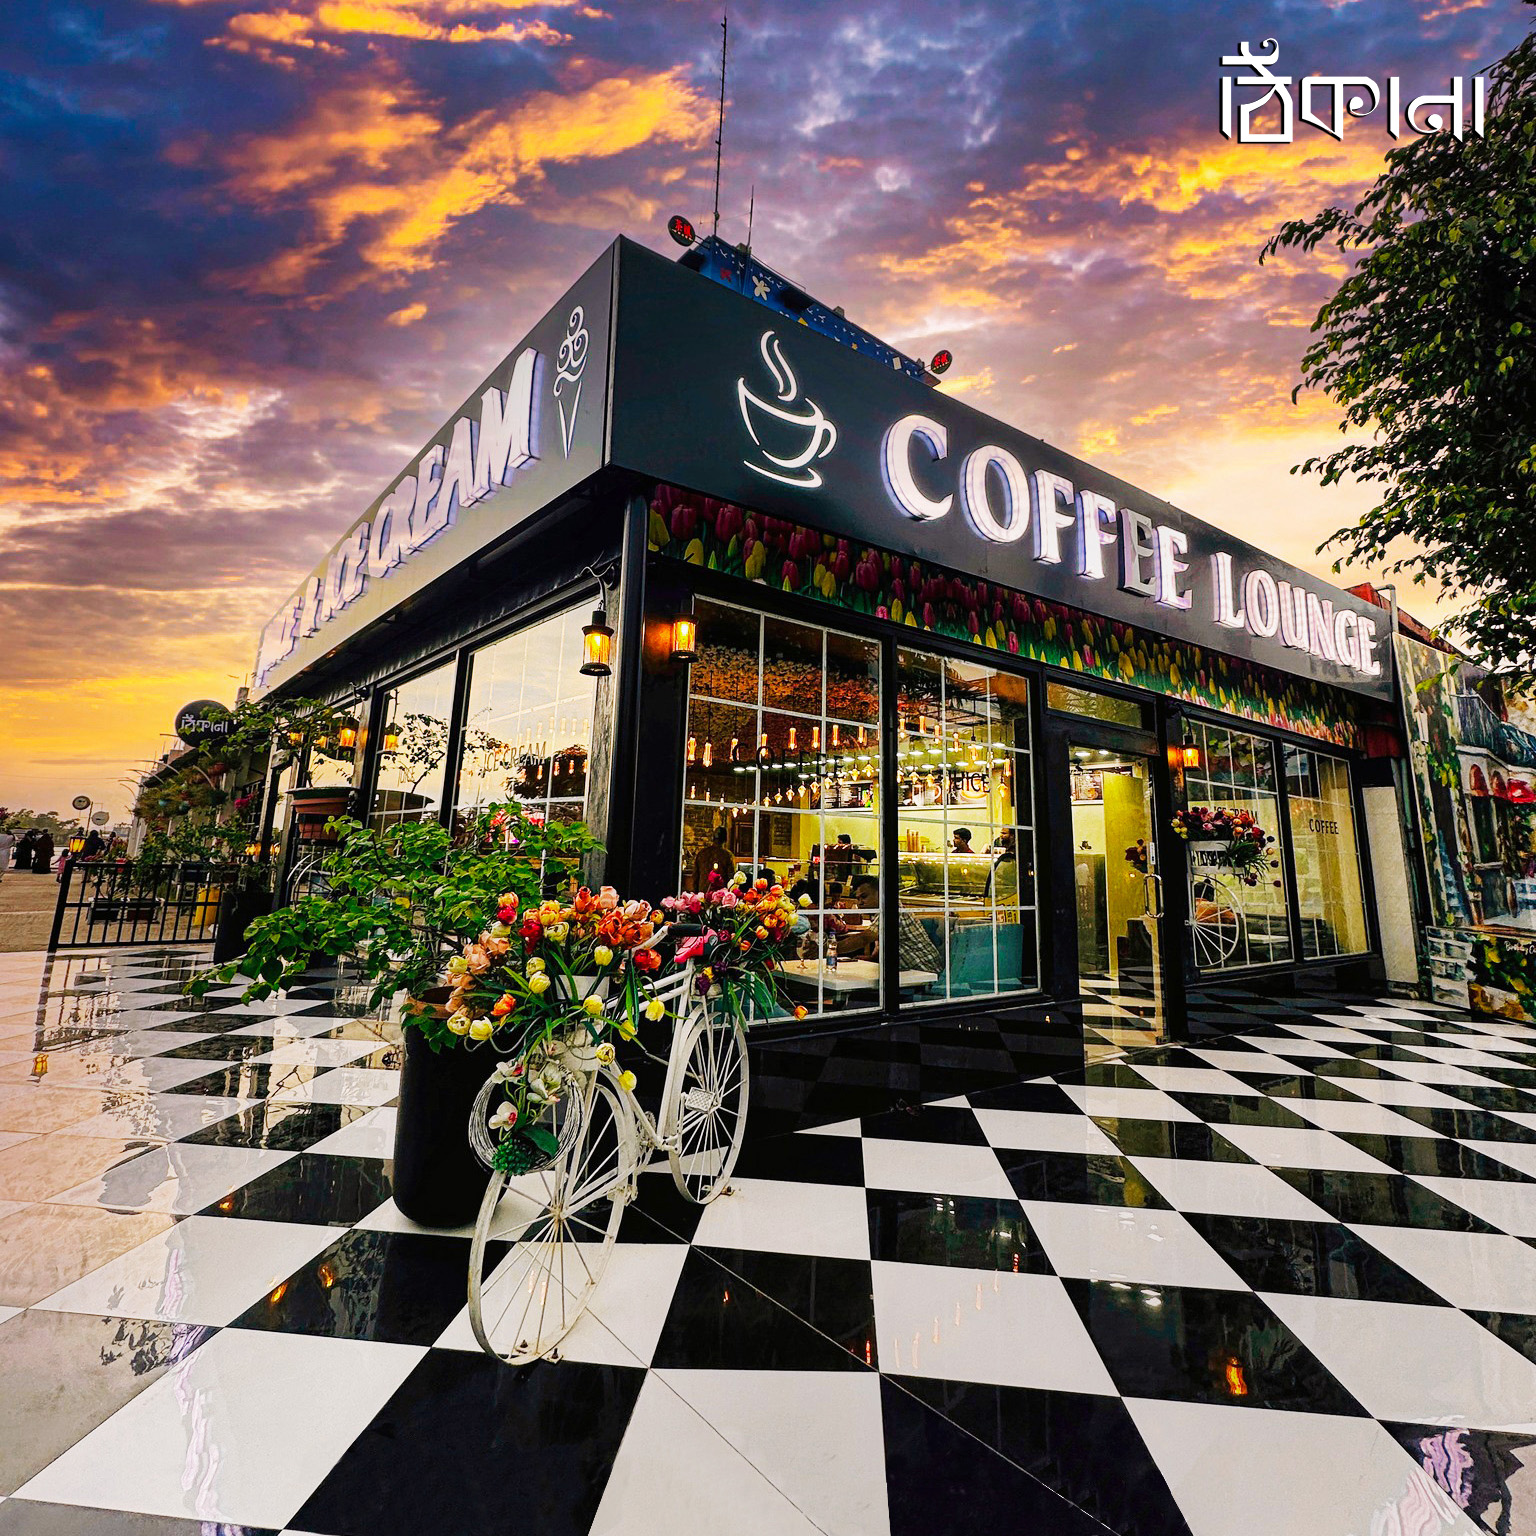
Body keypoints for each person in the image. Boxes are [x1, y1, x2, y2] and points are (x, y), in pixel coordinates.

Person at [691, 825, 736, 891]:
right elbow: (731, 878)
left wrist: (696, 892)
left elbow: (695, 876)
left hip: (702, 892)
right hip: (720, 893)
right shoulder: (728, 855)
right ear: (725, 839)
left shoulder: (702, 853)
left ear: (713, 838)